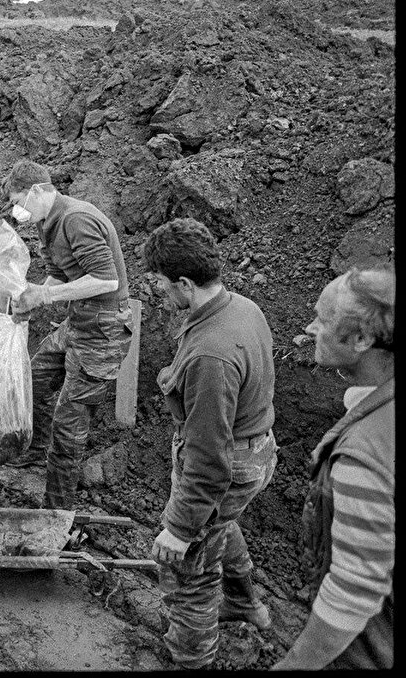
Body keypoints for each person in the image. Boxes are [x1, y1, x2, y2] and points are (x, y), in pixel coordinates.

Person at [141, 218, 278, 669]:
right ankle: (244, 604)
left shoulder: (211, 355)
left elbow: (208, 461)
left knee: (187, 572)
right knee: (218, 524)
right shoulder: (241, 307)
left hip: (229, 463)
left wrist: (179, 529)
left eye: (160, 283)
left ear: (184, 282)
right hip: (256, 452)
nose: (157, 292)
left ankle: (190, 660)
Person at [273, 267, 394, 670]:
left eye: (323, 319)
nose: (310, 328)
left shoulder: (363, 455)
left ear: (361, 339)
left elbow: (352, 594)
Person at [3, 159, 133, 511]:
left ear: (37, 190)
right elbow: (59, 276)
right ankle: (34, 449)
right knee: (34, 378)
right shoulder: (48, 224)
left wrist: (45, 295)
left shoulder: (76, 219)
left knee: (69, 425)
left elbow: (107, 280)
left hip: (103, 329)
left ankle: (57, 509)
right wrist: (33, 295)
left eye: (20, 201)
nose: (18, 211)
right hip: (78, 321)